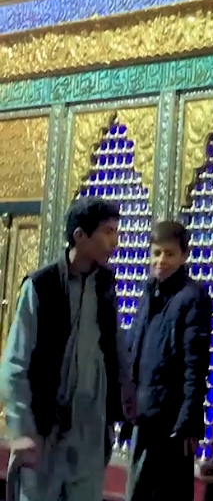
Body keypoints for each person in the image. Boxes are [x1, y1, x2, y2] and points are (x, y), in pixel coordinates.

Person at [0, 196, 134, 501]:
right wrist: (22, 430)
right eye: (108, 232)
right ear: (80, 236)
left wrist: (125, 399)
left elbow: (114, 347)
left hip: (90, 431)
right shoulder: (40, 287)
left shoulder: (105, 286)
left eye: (117, 231)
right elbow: (15, 364)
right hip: (45, 431)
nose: (115, 241)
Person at [125, 220, 212, 501]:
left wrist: (187, 420)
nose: (161, 261)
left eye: (170, 254)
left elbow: (194, 366)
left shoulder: (192, 297)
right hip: (143, 414)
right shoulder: (150, 293)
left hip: (170, 421)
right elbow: (134, 349)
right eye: (157, 253)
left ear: (184, 255)